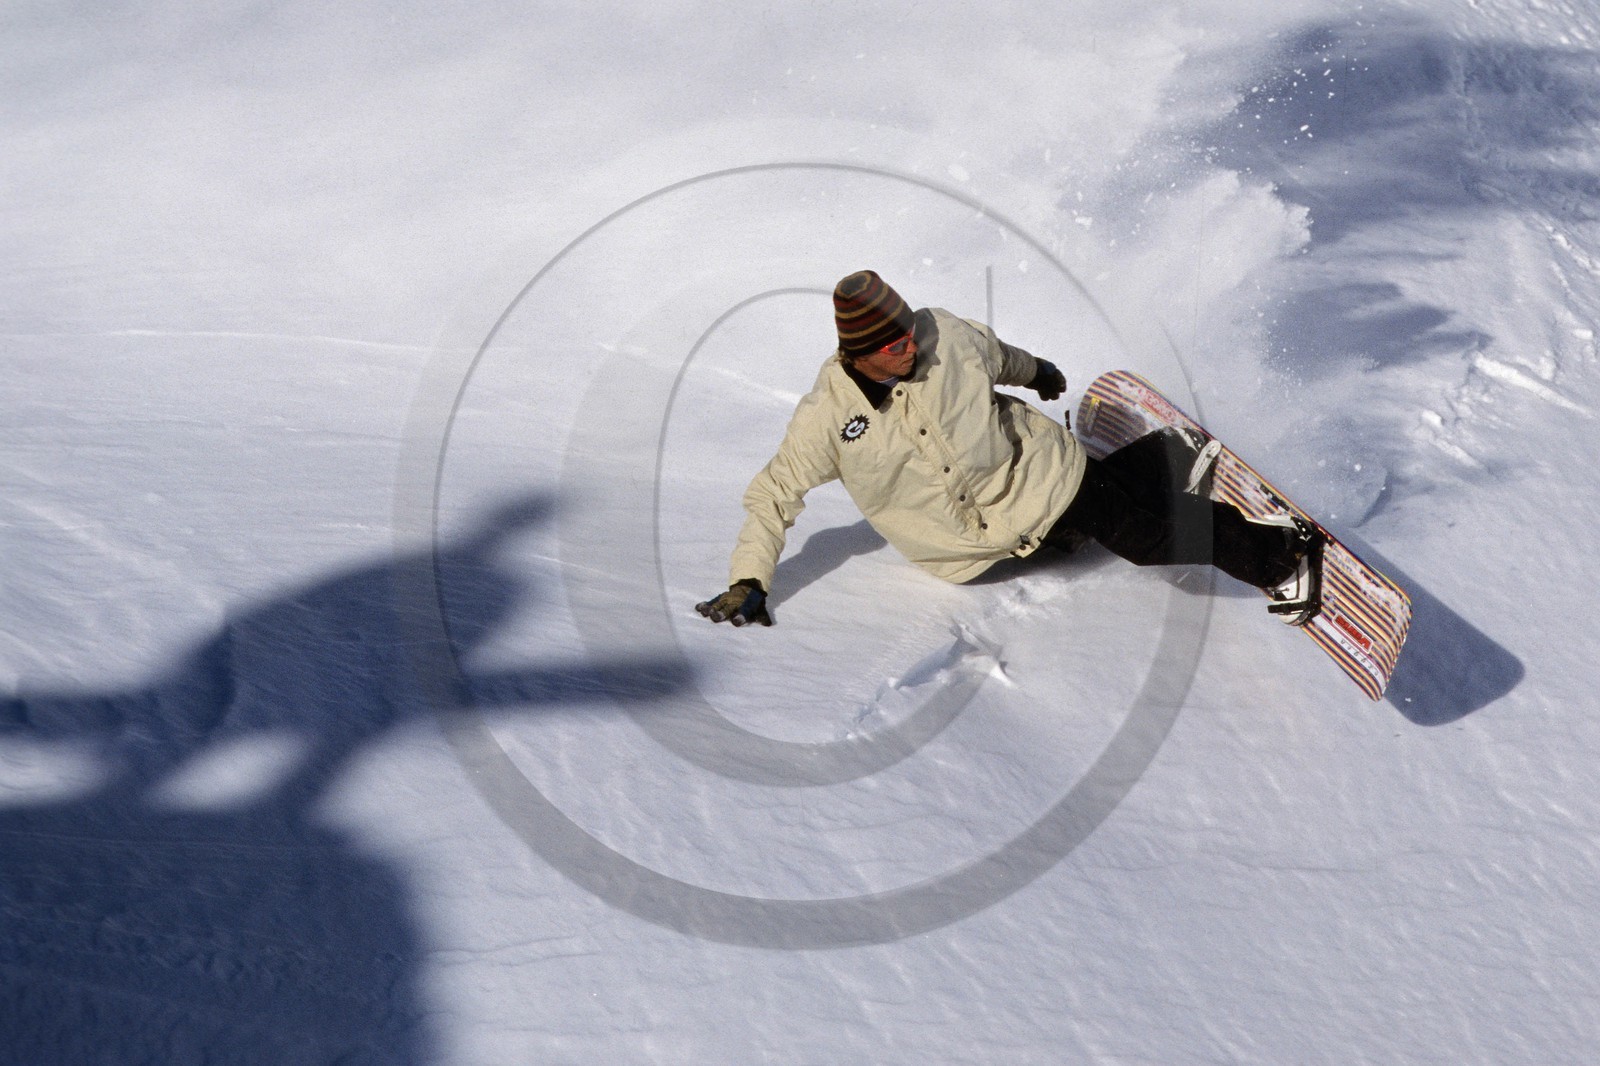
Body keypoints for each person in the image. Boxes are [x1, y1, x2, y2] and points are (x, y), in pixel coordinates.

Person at [696, 270, 1319, 628]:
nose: (910, 348)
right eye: (892, 347)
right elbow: (773, 494)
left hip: (1039, 477)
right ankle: (1163, 455)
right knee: (1100, 521)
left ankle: (1280, 558)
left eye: (910, 334)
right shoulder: (827, 420)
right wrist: (749, 578)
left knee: (1141, 533)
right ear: (855, 353)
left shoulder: (944, 333)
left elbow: (999, 355)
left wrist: (1039, 371)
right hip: (973, 554)